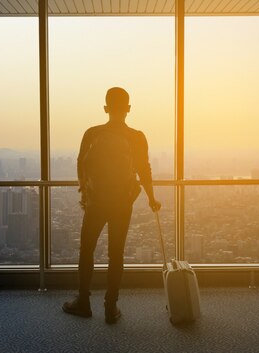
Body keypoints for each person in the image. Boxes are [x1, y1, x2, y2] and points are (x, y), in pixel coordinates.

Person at [62, 87, 161, 324]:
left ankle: (83, 303)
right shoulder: (137, 137)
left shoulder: (92, 133)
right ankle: (110, 307)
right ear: (128, 109)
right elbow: (143, 170)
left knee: (87, 251)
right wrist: (151, 198)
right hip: (122, 203)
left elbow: (81, 165)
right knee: (116, 255)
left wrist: (85, 193)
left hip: (96, 203)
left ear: (106, 108)